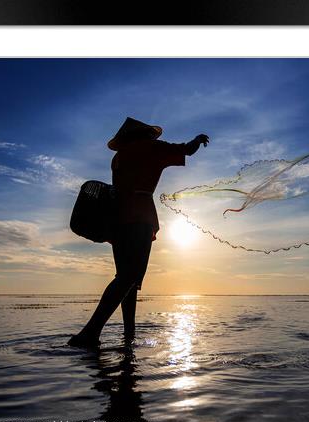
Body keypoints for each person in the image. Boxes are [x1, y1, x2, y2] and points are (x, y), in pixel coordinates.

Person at [68, 117, 209, 347]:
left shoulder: (118, 157)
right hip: (140, 218)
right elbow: (187, 150)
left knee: (125, 277)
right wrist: (197, 138)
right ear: (144, 134)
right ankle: (91, 332)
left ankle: (128, 335)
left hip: (117, 220)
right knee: (130, 277)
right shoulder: (152, 148)